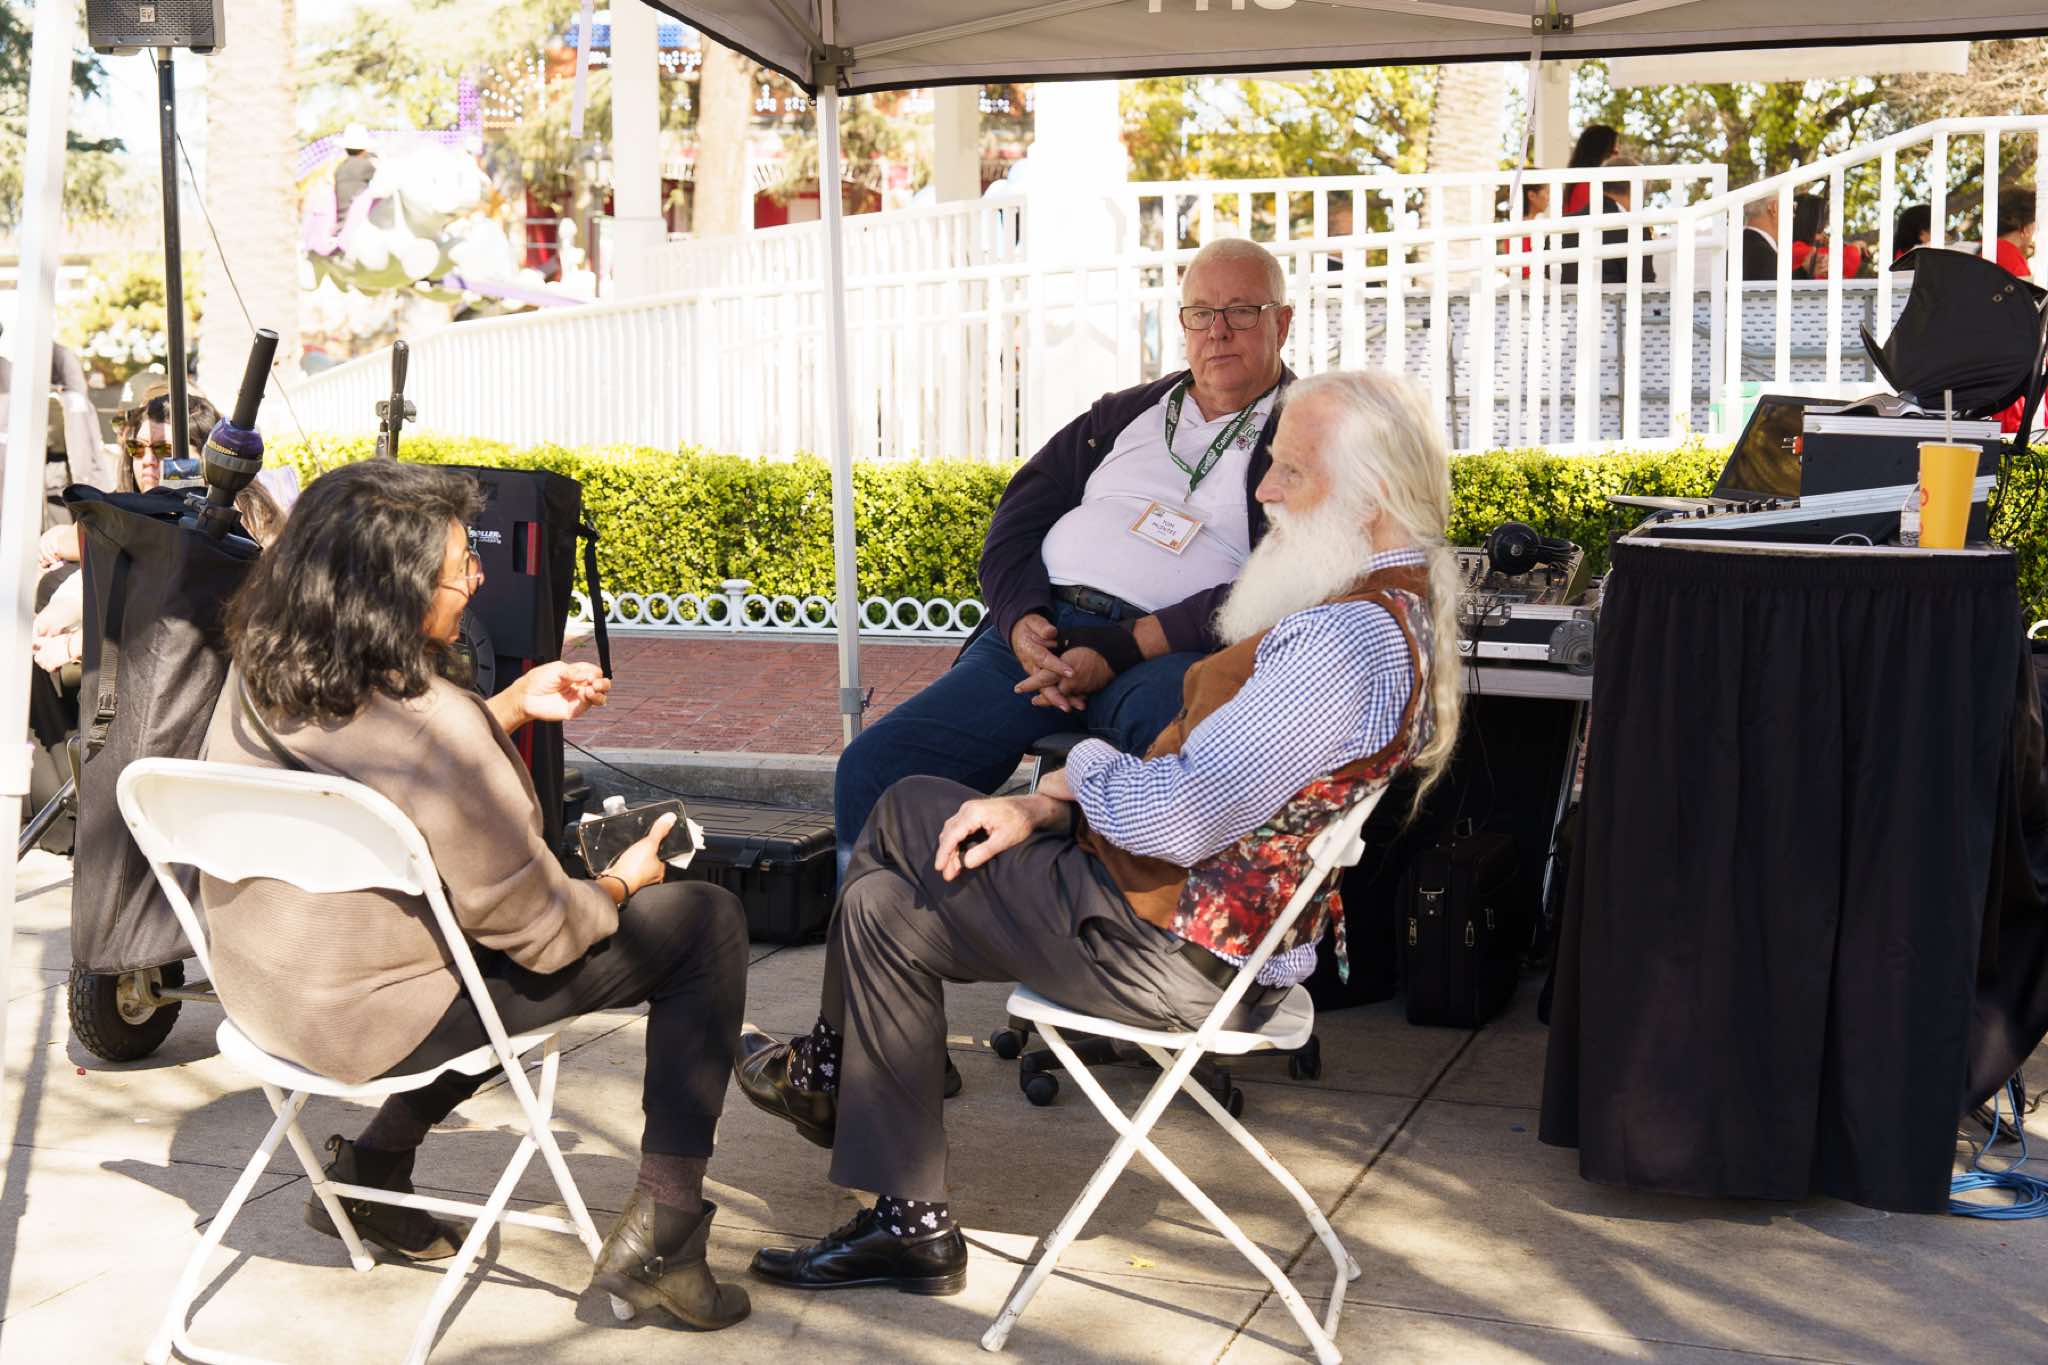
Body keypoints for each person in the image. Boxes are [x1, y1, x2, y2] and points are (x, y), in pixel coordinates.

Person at [734, 369, 1463, 1295]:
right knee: (900, 830)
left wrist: (1074, 776)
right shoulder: (1389, 608)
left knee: (890, 873)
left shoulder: (1339, 643)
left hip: (1177, 953)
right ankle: (868, 1145)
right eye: (1270, 466)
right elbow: (1213, 795)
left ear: (1372, 495)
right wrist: (1046, 806)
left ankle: (881, 1169)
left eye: (1291, 471)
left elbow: (1187, 812)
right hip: (1192, 928)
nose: (1267, 492)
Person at [200, 461, 753, 1332]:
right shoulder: (435, 725)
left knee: (469, 935)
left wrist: (508, 707)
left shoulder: (261, 674)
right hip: (370, 1025)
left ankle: (375, 1170)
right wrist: (622, 880)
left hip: (261, 998)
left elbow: (387, 761)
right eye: (464, 566)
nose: (480, 580)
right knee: (703, 924)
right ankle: (668, 1235)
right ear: (394, 588)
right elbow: (542, 933)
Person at [830, 237, 1296, 875]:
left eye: (1241, 311)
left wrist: (1120, 648)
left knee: (1195, 770)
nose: (1218, 331)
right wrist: (1022, 621)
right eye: (1200, 313)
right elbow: (1016, 522)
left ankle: (1114, 925)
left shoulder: (1302, 431)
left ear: (1281, 323)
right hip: (1040, 641)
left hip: (1168, 654)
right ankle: (879, 919)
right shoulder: (1124, 415)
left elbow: (1285, 578)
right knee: (874, 766)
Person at [1556, 164, 1657, 286]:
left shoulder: (1559, 226)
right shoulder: (1632, 228)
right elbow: (1645, 284)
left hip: (1561, 298)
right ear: (1633, 188)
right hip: (1614, 298)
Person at [1561, 125, 1619, 217]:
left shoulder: (1582, 182)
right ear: (1600, 153)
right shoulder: (1586, 186)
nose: (1618, 157)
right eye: (1614, 152)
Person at [334, 124, 378, 221]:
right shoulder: (367, 166)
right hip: (358, 220)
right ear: (364, 149)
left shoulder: (340, 168)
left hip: (341, 219)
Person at [1742, 197, 1781, 280]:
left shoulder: (1734, 246)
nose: (1793, 216)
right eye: (1793, 207)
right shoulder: (1768, 258)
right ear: (1773, 207)